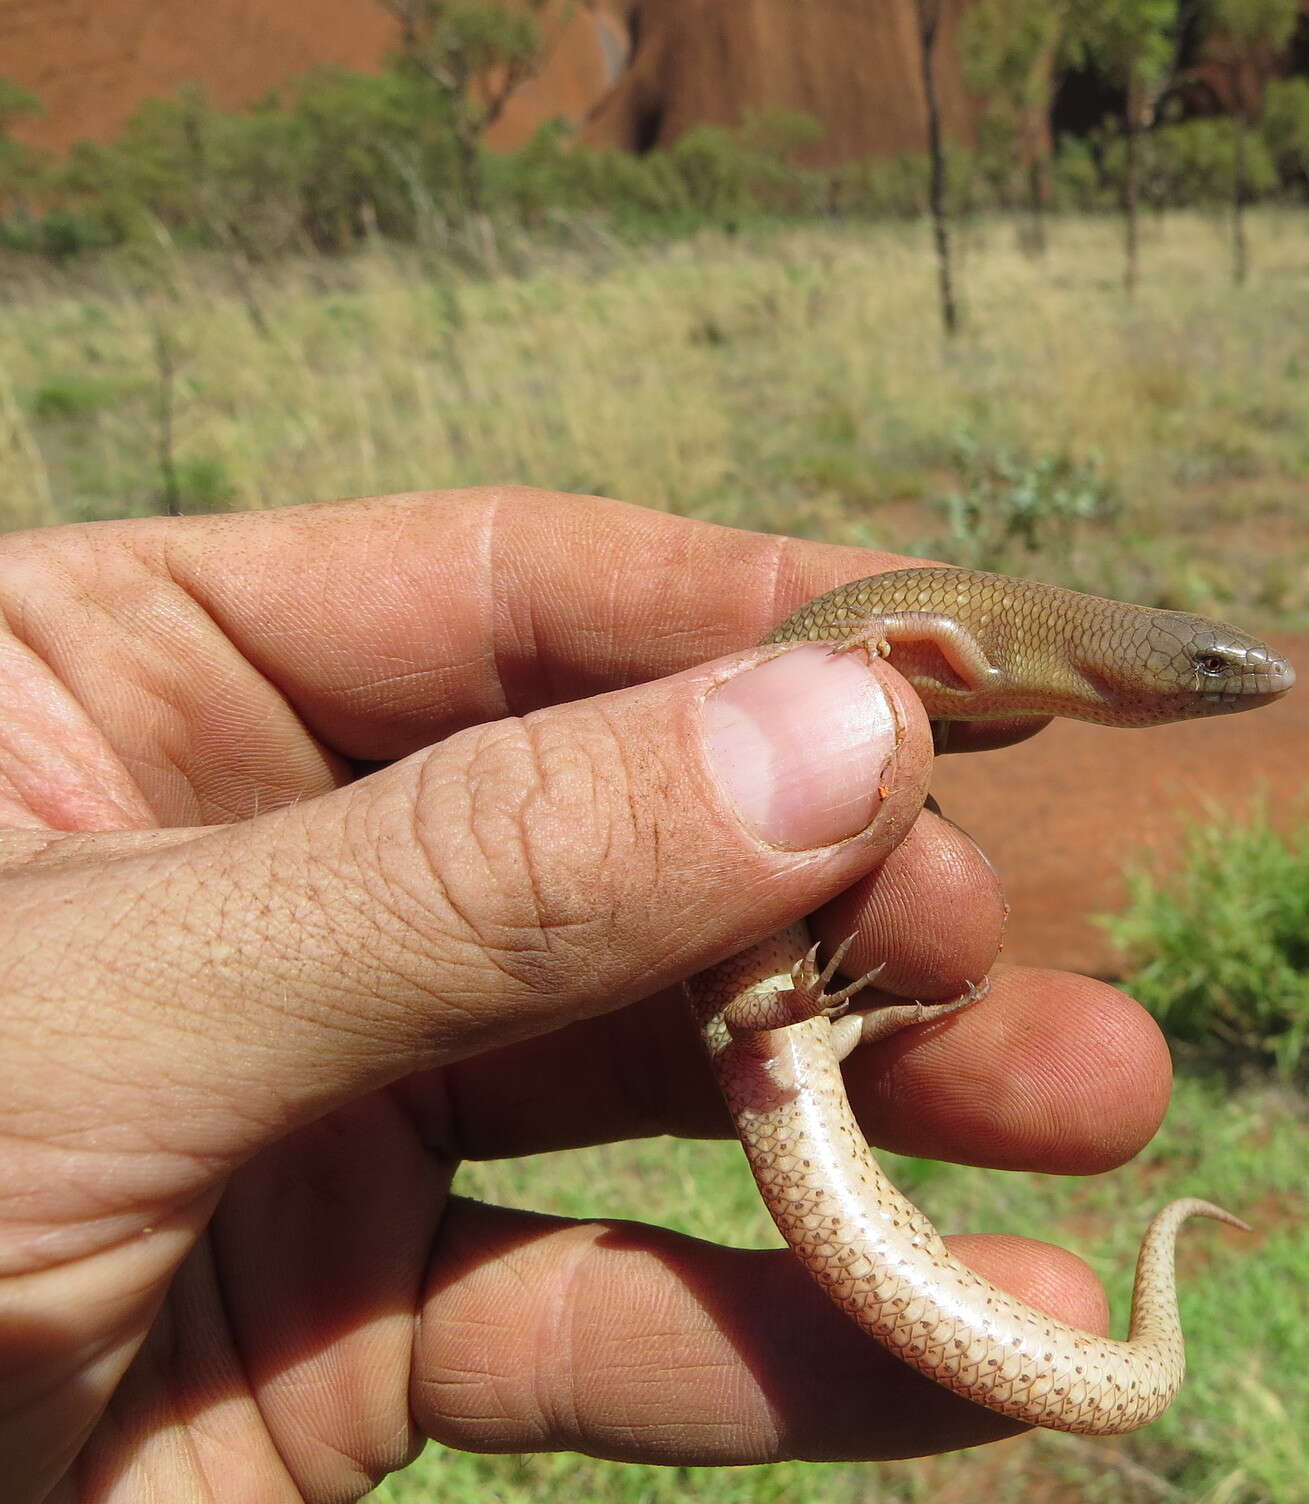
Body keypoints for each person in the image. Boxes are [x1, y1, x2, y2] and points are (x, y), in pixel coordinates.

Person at [0, 486, 1175, 1499]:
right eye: (1208, 673)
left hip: (776, 1019)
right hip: (770, 1017)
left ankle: (837, 1020)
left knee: (809, 1006)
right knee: (804, 1004)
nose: (1238, 684)